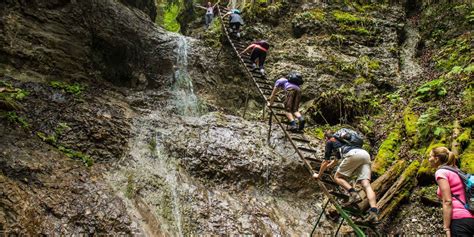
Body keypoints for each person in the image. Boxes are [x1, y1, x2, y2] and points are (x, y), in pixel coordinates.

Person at [313, 130, 379, 223]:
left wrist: (319, 174)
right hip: (365, 154)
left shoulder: (330, 141)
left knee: (337, 177)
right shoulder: (345, 142)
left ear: (326, 138)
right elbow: (334, 162)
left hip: (353, 154)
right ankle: (374, 213)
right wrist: (326, 168)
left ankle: (354, 194)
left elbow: (325, 161)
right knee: (366, 184)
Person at [429, 147, 474, 237]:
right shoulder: (456, 171)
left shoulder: (441, 172)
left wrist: (446, 228)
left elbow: (447, 201)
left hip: (459, 221)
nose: (428, 159)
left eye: (430, 156)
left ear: (436, 159)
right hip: (470, 216)